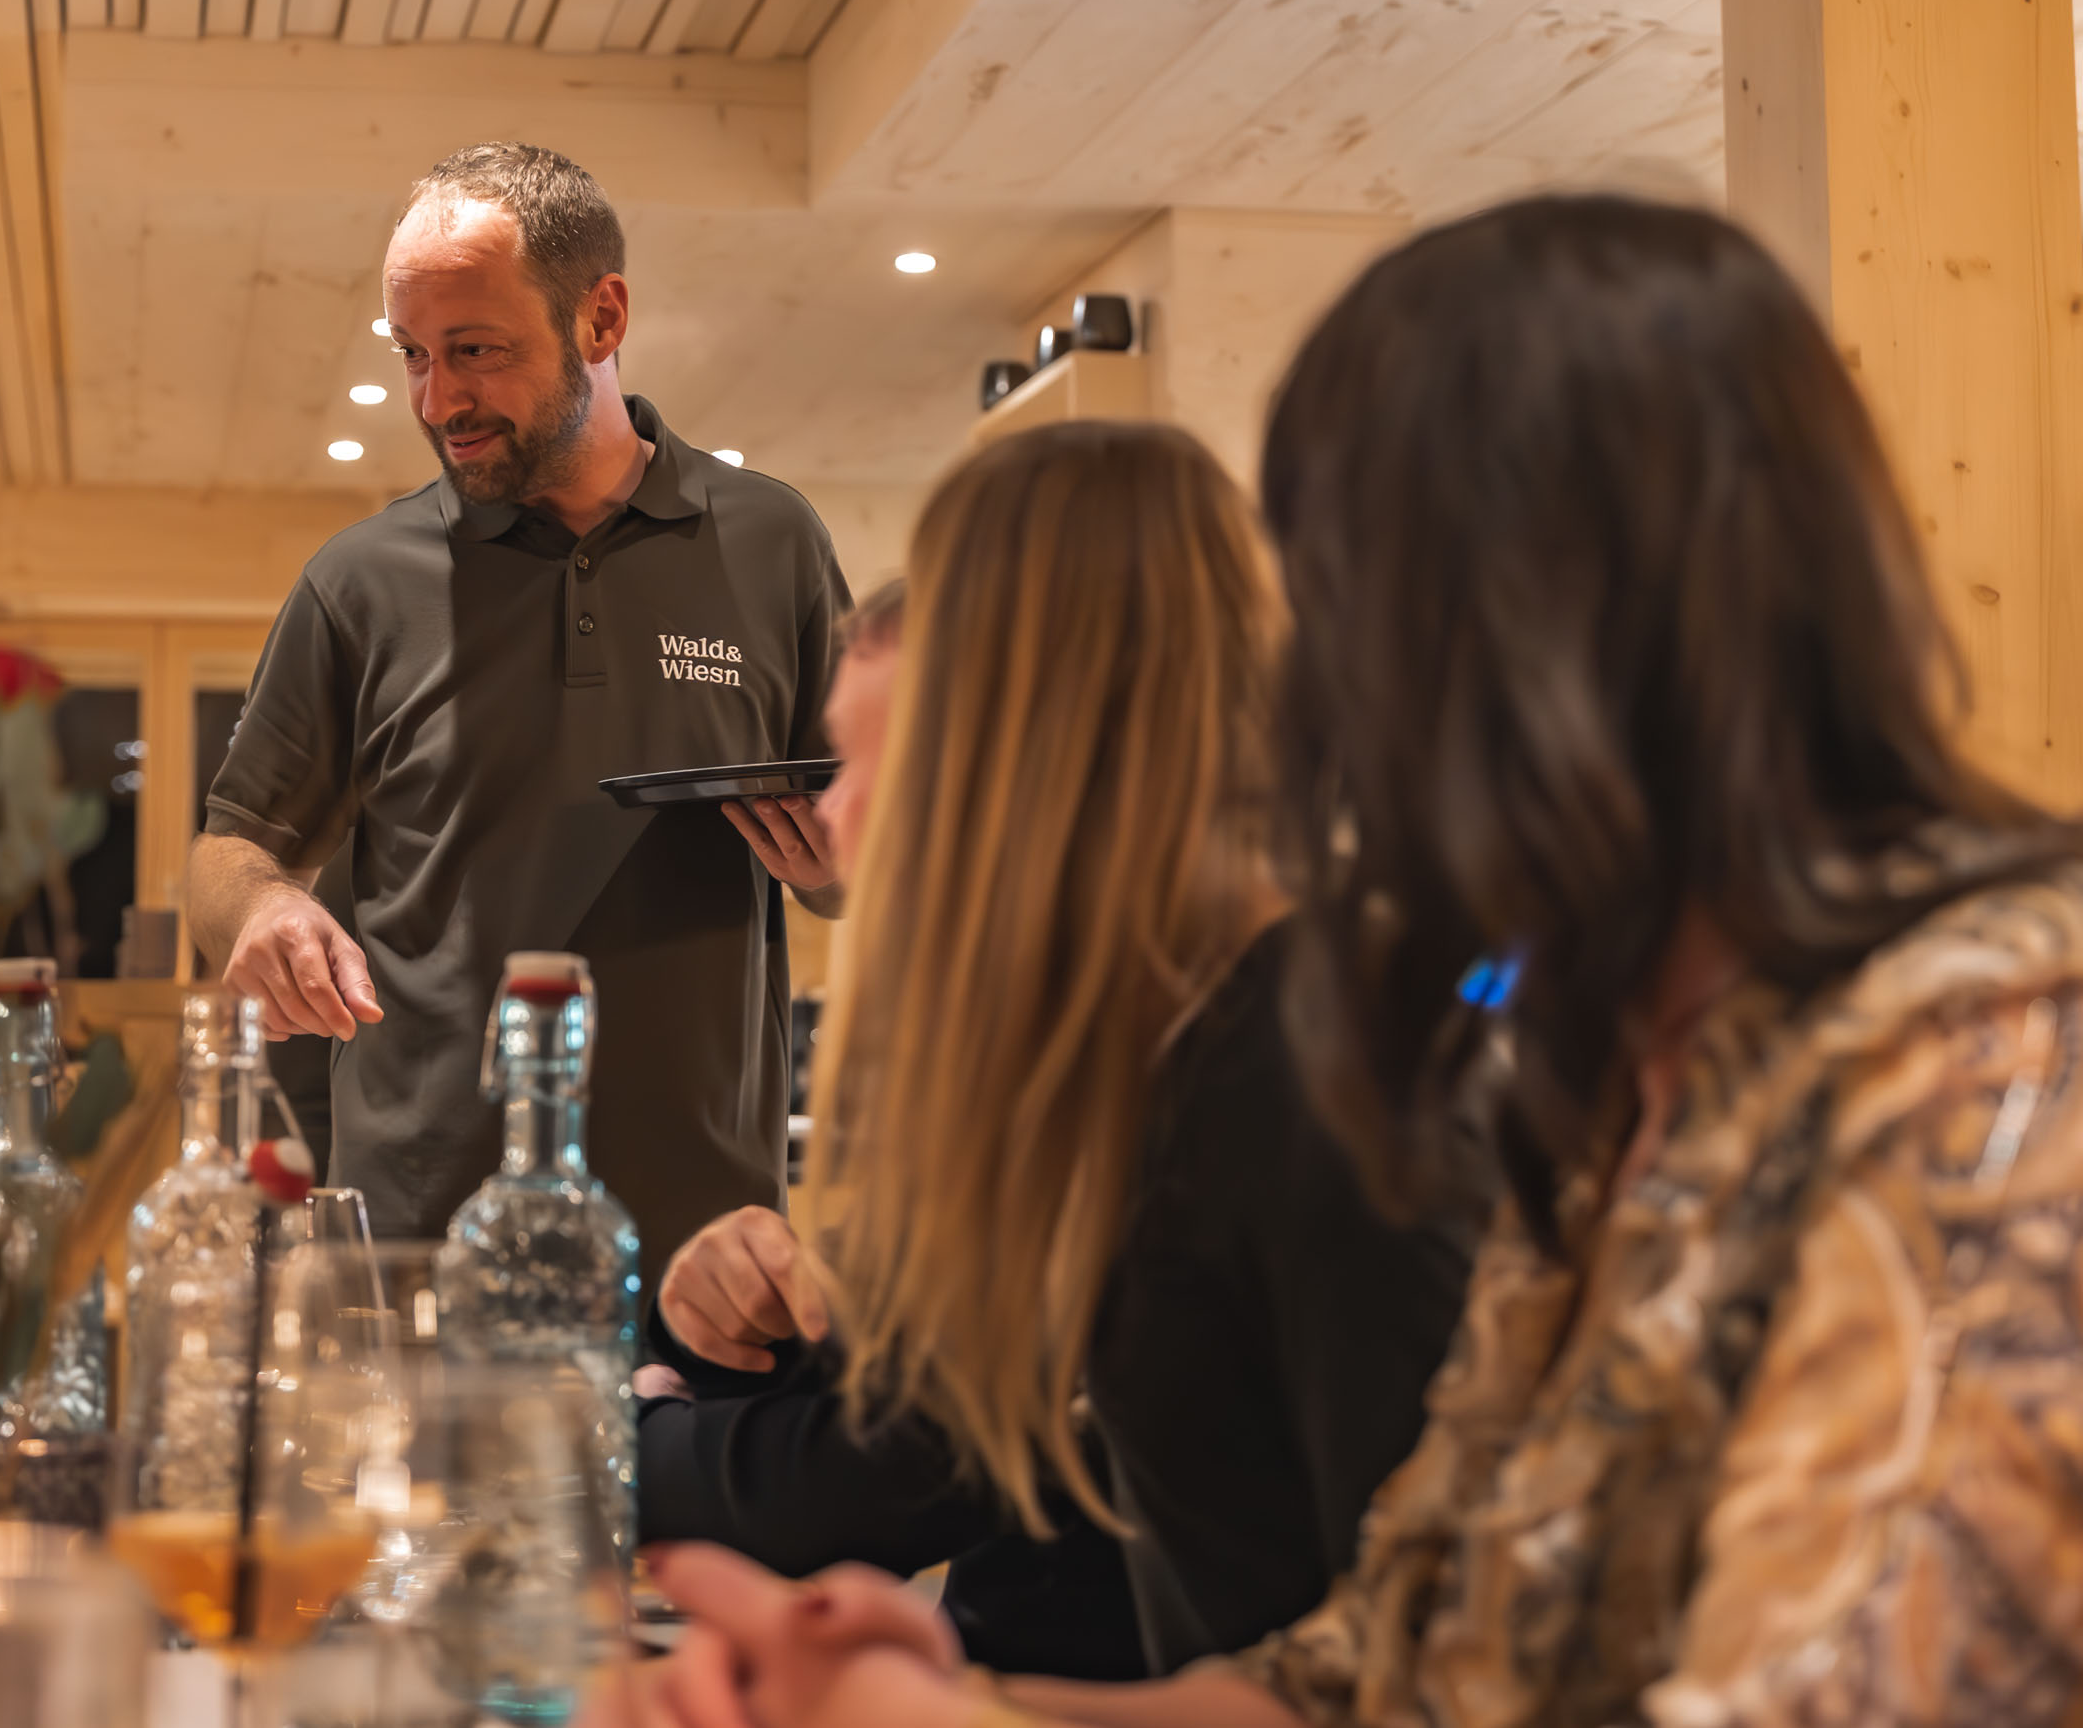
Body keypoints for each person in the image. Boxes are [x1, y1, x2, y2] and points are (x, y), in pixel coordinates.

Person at [595, 194, 2083, 1728]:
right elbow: (1383, 1669)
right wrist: (934, 1704)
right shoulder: (1624, 1084)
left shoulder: (1996, 1052)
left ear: (1568, 616)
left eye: (1357, 603)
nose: (1311, 710)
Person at [634, 424, 1470, 1678]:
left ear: (1022, 755)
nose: (831, 811)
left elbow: (1414, 1672)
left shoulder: (1306, 1088)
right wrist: (727, 1342)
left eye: (865, 761)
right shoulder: (1150, 1063)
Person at [187, 142, 850, 1278]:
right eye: (412, 354)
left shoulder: (772, 542)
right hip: (416, 1235)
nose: (437, 399)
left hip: (703, 1241)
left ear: (601, 318)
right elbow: (228, 849)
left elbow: (860, 852)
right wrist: (257, 912)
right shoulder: (360, 580)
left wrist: (840, 865)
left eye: (476, 351)